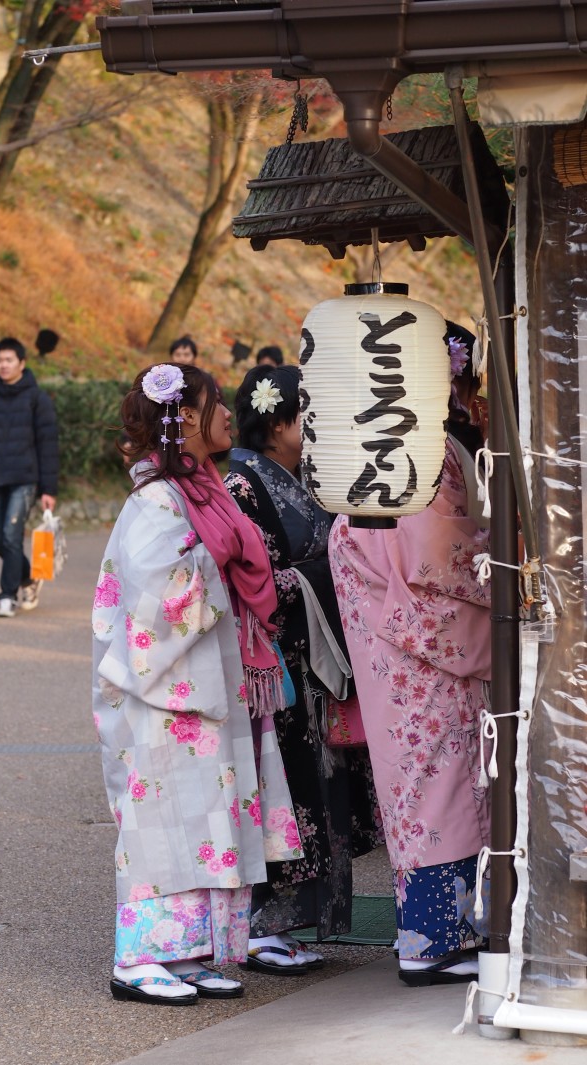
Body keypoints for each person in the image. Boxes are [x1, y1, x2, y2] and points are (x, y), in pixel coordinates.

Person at [93, 363, 301, 1006]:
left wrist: (220, 564)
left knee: (208, 815)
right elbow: (154, 595)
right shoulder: (156, 499)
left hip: (205, 679)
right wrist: (221, 564)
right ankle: (139, 957)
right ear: (184, 419)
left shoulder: (201, 490)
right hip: (164, 693)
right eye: (216, 405)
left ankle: (186, 951)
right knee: (163, 816)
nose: (228, 417)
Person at [329, 322, 491, 987]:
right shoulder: (409, 451)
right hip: (416, 646)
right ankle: (427, 940)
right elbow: (434, 551)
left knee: (435, 782)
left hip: (401, 639)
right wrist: (495, 551)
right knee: (434, 784)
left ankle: (443, 932)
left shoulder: (383, 445)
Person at [225, 365, 383, 975]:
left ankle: (294, 920)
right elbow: (257, 580)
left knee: (318, 792)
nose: (314, 428)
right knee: (282, 790)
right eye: (306, 415)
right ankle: (264, 923)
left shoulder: (299, 478)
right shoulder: (243, 485)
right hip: (277, 661)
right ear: (278, 420)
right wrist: (336, 569)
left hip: (312, 658)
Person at [0, 337, 58, 618]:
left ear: (21, 363)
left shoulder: (37, 399)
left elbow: (48, 444)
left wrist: (48, 489)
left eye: (8, 360)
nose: (3, 365)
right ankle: (29, 578)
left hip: (24, 478)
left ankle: (7, 596)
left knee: (11, 536)